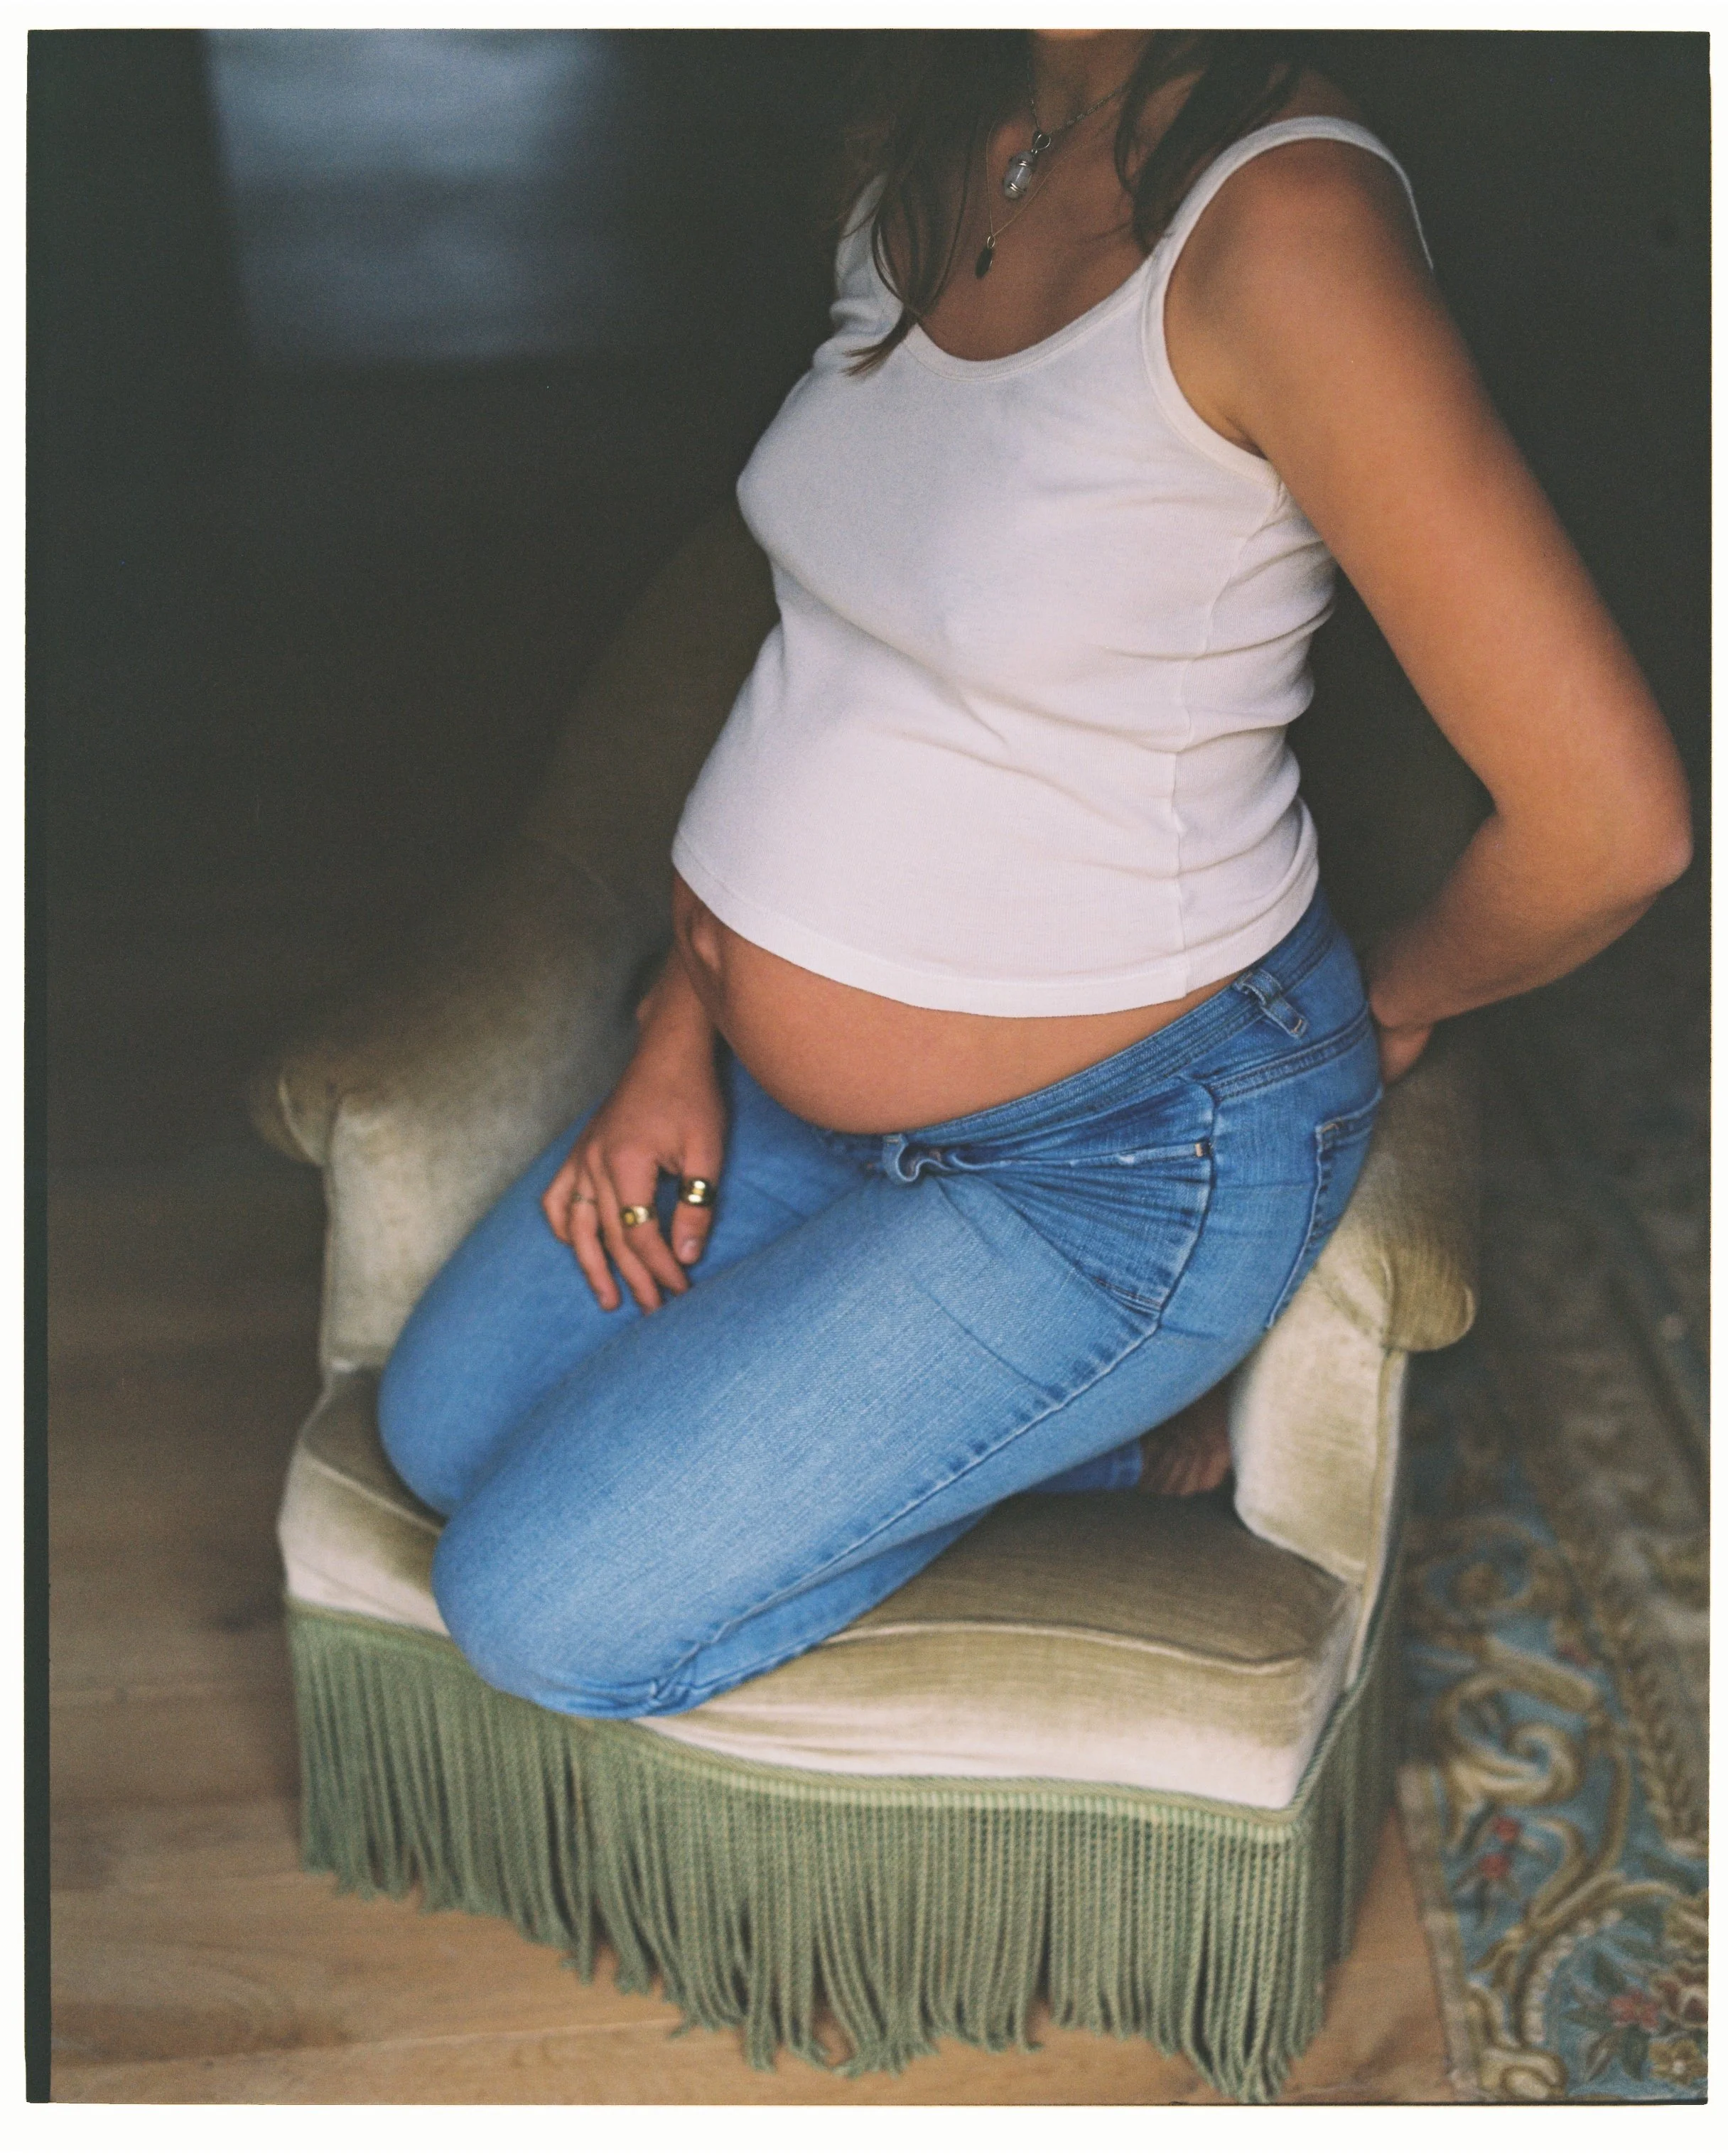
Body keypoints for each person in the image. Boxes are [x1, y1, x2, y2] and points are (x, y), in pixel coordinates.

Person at [378, 29, 1690, 1722]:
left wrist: (1387, 1009)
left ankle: (1094, 1411)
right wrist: (677, 1024)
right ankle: (976, 1405)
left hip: (1120, 1165)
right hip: (809, 1106)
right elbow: (832, 666)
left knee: (531, 1600)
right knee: (447, 1423)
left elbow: (1609, 820)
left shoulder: (1279, 224)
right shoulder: (938, 135)